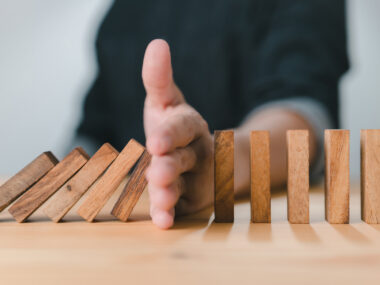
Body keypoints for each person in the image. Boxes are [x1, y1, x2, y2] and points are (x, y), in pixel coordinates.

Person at [73, 1, 349, 229]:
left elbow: (301, 111)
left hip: (252, 234)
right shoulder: (121, 12)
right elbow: (94, 132)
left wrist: (220, 165)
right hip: (132, 237)